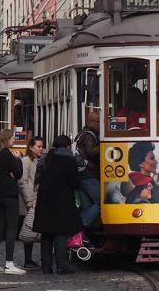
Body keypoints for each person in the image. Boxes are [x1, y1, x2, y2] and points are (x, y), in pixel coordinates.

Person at [33, 135, 81, 275]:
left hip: (44, 200)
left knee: (46, 235)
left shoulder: (46, 159)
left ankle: (46, 267)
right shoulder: (69, 160)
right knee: (60, 233)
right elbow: (75, 182)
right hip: (61, 201)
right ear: (67, 146)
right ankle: (62, 265)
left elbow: (38, 178)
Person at [0, 129, 25, 275]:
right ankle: (9, 263)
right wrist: (18, 159)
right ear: (6, 139)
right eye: (12, 138)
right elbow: (18, 173)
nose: (14, 140)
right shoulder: (7, 154)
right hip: (9, 195)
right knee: (11, 228)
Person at [18, 135, 44, 270]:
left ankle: (32, 259)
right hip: (30, 201)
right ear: (31, 147)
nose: (41, 149)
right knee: (29, 228)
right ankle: (27, 260)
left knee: (35, 229)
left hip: (37, 200)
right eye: (38, 146)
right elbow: (23, 181)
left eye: (41, 146)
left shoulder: (38, 161)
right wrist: (28, 200)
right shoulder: (26, 161)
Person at [75, 111, 101, 227]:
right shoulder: (88, 135)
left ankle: (82, 237)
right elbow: (91, 151)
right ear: (90, 122)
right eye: (98, 122)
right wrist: (105, 146)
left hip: (81, 176)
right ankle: (78, 228)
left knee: (87, 207)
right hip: (89, 175)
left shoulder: (80, 134)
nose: (100, 125)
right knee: (101, 202)